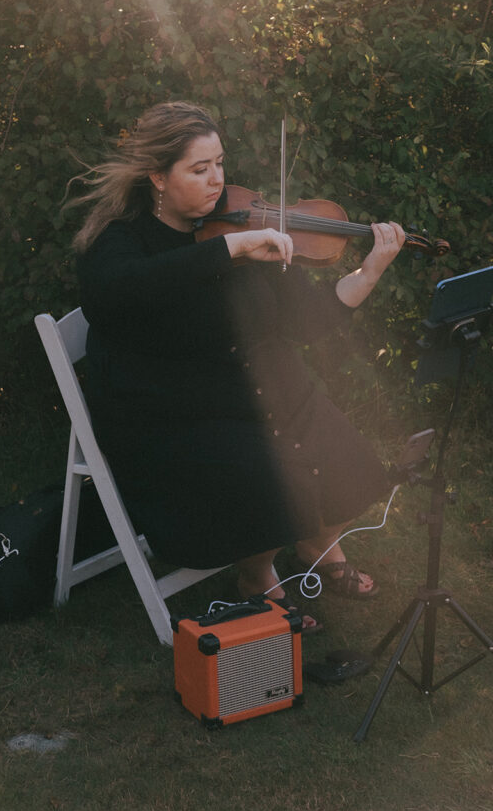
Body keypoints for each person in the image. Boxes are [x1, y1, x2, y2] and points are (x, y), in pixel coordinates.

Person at [72, 101, 405, 630]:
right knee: (269, 478)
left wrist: (369, 270)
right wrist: (231, 248)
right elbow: (112, 293)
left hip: (250, 392)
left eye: (220, 164)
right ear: (158, 176)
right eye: (199, 169)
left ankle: (317, 546)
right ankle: (257, 575)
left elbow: (307, 320)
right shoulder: (124, 238)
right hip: (172, 411)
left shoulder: (245, 222)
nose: (216, 181)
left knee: (352, 465)